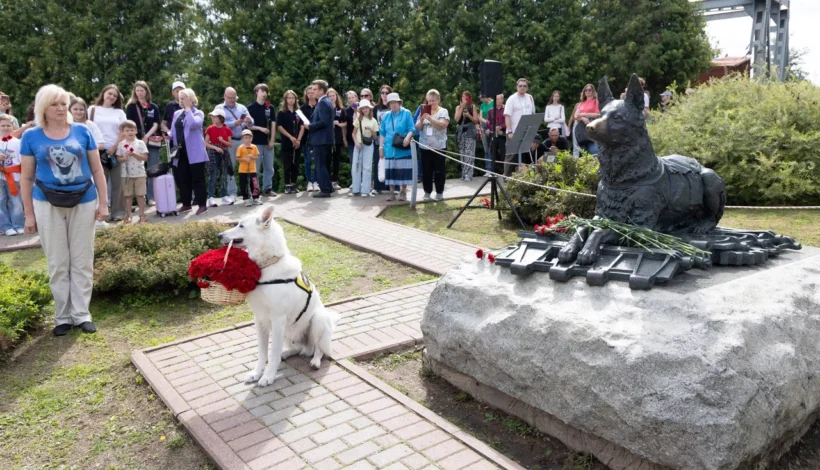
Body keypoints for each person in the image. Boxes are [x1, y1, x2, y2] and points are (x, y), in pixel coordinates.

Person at [20, 84, 109, 336]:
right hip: (46, 202)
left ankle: (81, 314)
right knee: (58, 262)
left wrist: (103, 203)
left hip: (83, 200)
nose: (61, 108)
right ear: (43, 108)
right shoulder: (31, 136)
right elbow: (26, 178)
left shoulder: (83, 131)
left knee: (82, 260)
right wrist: (28, 214)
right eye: (55, 104)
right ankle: (63, 317)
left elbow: (97, 170)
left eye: (63, 103)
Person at [89, 84, 127, 221]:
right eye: (109, 93)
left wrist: (113, 148)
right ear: (103, 93)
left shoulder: (119, 113)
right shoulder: (92, 110)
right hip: (97, 151)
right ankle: (101, 213)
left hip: (115, 151)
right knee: (100, 183)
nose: (111, 97)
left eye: (114, 96)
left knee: (118, 184)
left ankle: (119, 213)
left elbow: (124, 131)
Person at [170, 88, 208, 215]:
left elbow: (193, 124)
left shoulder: (198, 113)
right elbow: (174, 130)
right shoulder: (177, 114)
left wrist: (188, 109)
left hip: (195, 152)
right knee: (182, 178)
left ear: (191, 99)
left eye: (184, 98)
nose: (181, 101)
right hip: (180, 152)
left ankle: (202, 204)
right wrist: (168, 135)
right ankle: (186, 204)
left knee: (198, 178)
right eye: (180, 98)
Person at [125, 81, 162, 206]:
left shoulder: (153, 107)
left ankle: (151, 197)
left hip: (151, 141)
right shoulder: (131, 106)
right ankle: (137, 198)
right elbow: (128, 125)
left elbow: (157, 124)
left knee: (152, 169)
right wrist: (138, 139)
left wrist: (146, 136)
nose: (139, 93)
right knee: (136, 170)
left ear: (146, 91)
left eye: (142, 90)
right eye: (137, 90)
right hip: (135, 142)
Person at [215, 87, 253, 204]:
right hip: (228, 142)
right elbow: (217, 124)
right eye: (229, 97)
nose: (232, 100)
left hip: (243, 141)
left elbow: (252, 123)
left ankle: (249, 193)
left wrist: (249, 120)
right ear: (224, 96)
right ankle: (232, 193)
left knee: (247, 166)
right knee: (229, 168)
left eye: (233, 97)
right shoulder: (219, 108)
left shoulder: (242, 107)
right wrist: (233, 124)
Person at [380, 93, 415, 201]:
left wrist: (408, 138)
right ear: (389, 104)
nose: (394, 105)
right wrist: (380, 147)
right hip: (389, 148)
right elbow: (382, 133)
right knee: (391, 171)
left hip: (402, 148)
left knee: (403, 171)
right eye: (391, 103)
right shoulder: (385, 116)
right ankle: (391, 192)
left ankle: (403, 191)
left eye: (395, 102)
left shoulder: (406, 113)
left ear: (399, 103)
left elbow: (412, 129)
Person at [416, 89, 449, 201]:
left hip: (439, 147)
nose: (431, 103)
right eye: (429, 101)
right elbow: (417, 127)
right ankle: (427, 192)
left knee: (439, 171)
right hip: (425, 147)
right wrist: (421, 120)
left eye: (433, 101)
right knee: (426, 171)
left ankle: (439, 193)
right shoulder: (423, 110)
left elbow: (442, 125)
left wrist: (430, 118)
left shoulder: (443, 111)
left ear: (438, 100)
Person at [114, 120, 148, 223]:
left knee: (140, 195)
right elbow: (118, 159)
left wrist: (134, 154)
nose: (130, 132)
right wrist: (124, 157)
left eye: (132, 130)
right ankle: (128, 215)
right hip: (126, 175)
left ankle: (141, 215)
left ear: (136, 131)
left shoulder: (140, 143)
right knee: (127, 195)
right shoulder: (121, 145)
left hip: (140, 173)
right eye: (127, 130)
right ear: (123, 132)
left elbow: (145, 157)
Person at [306, 80, 334, 198]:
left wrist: (310, 126)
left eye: (315, 89)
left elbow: (324, 122)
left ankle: (325, 190)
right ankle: (328, 187)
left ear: (322, 91)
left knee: (320, 164)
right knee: (324, 164)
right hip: (324, 139)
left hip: (321, 139)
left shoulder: (323, 103)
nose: (313, 91)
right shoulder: (325, 102)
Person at [247, 84, 276, 196]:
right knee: (256, 168)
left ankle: (267, 188)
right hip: (255, 143)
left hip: (268, 142)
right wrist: (260, 128)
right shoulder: (250, 107)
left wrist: (272, 139)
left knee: (269, 167)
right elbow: (248, 126)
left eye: (266, 91)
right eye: (262, 91)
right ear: (256, 92)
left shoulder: (270, 107)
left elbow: (273, 124)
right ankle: (255, 190)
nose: (264, 93)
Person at [504, 78, 536, 175]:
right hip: (514, 132)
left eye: (524, 86)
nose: (522, 88)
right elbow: (507, 115)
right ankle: (506, 179)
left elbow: (532, 114)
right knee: (511, 157)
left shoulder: (530, 97)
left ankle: (525, 179)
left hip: (527, 132)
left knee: (526, 156)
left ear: (527, 87)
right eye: (520, 86)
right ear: (517, 87)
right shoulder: (512, 99)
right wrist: (509, 131)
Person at [0, 115, 24, 235]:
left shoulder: (18, 143)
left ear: (13, 127)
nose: (5, 128)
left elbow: (23, 161)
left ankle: (18, 224)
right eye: (2, 125)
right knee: (1, 201)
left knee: (16, 201)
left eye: (8, 125)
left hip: (14, 175)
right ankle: (5, 226)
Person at [204, 108, 233, 206]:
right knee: (212, 176)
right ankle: (211, 198)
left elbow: (230, 144)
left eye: (215, 116)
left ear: (221, 118)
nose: (213, 118)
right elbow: (205, 143)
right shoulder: (210, 128)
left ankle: (224, 196)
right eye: (212, 116)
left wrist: (222, 141)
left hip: (224, 154)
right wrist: (215, 148)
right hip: (213, 153)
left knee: (223, 176)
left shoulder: (227, 129)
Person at [350, 99, 378, 197]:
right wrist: (356, 143)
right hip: (358, 145)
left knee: (367, 167)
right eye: (363, 108)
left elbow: (375, 137)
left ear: (370, 109)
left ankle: (365, 190)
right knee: (356, 167)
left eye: (367, 108)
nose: (365, 109)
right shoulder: (358, 119)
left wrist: (371, 130)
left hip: (369, 145)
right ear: (361, 109)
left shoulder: (373, 121)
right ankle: (356, 190)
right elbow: (353, 133)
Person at [276, 90, 301, 194]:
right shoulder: (282, 113)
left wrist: (298, 139)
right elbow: (279, 127)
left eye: (293, 98)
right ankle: (287, 185)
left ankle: (294, 184)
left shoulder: (298, 112)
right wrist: (291, 137)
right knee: (287, 164)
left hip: (297, 142)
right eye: (289, 98)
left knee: (296, 164)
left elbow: (303, 126)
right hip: (287, 141)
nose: (291, 100)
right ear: (285, 100)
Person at [454, 91, 480, 181]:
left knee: (469, 153)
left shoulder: (472, 107)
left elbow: (476, 121)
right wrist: (462, 107)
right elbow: (457, 119)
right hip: (461, 132)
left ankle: (469, 174)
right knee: (462, 153)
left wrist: (468, 115)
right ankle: (463, 173)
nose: (464, 98)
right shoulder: (458, 107)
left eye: (466, 97)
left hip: (470, 131)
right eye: (462, 97)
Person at [371, 85, 392, 195]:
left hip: (390, 138)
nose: (384, 95)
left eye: (387, 93)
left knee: (391, 161)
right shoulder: (376, 108)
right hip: (379, 137)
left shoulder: (392, 106)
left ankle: (392, 187)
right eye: (382, 92)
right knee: (378, 160)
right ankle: (377, 186)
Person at [570, 83, 600, 156]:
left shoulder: (596, 101)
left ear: (593, 91)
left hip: (592, 127)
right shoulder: (580, 104)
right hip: (581, 129)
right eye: (586, 90)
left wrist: (584, 114)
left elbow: (598, 114)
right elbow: (575, 116)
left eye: (589, 90)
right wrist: (583, 118)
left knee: (593, 150)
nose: (587, 91)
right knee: (583, 152)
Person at [298, 86, 317, 191]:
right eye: (308, 93)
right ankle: (309, 181)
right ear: (306, 95)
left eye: (312, 92)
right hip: (306, 138)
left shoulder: (319, 106)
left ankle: (317, 181)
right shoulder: (302, 108)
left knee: (317, 161)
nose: (310, 94)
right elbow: (301, 124)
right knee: (308, 160)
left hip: (318, 137)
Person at [327, 88, 347, 190]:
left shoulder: (341, 109)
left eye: (333, 95)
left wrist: (338, 124)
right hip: (327, 138)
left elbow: (345, 123)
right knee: (327, 160)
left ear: (336, 96)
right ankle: (327, 181)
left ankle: (335, 181)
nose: (331, 97)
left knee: (336, 160)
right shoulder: (325, 108)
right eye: (329, 96)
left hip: (338, 137)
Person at [236, 129, 261, 206]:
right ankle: (246, 199)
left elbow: (257, 157)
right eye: (246, 138)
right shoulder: (240, 147)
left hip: (253, 169)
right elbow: (237, 158)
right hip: (243, 170)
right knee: (244, 184)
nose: (248, 139)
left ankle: (255, 198)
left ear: (252, 138)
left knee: (254, 183)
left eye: (249, 137)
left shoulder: (254, 147)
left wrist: (252, 157)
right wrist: (245, 159)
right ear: (242, 139)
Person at [486, 93, 506, 175]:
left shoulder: (506, 109)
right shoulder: (491, 110)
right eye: (496, 99)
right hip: (494, 135)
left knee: (503, 154)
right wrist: (493, 128)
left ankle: (505, 172)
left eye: (499, 99)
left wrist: (500, 127)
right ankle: (494, 172)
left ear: (502, 100)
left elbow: (508, 122)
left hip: (503, 134)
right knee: (493, 153)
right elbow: (488, 122)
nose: (497, 101)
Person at [479, 95, 494, 174]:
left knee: (491, 149)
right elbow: (480, 118)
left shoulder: (493, 103)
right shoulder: (482, 105)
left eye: (481, 98)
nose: (481, 100)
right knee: (486, 149)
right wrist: (483, 126)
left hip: (492, 127)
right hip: (484, 127)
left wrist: (489, 125)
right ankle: (488, 169)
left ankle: (492, 169)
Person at [344, 90, 359, 171]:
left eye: (353, 97)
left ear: (356, 97)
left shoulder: (363, 107)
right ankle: (354, 182)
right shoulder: (346, 110)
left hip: (361, 139)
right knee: (353, 161)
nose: (351, 99)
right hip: (350, 139)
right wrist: (344, 138)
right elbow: (345, 126)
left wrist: (357, 111)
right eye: (349, 98)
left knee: (362, 161)